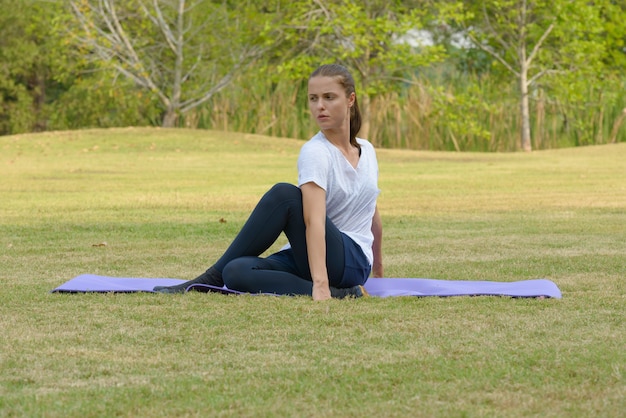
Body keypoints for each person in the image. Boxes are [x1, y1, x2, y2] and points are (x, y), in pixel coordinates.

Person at [154, 64, 383, 300]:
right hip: (314, 256)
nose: (319, 106)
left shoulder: (365, 150)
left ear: (350, 99)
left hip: (349, 261)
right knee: (236, 272)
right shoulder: (317, 150)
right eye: (313, 99)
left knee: (284, 195)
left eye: (329, 97)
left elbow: (349, 215)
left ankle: (211, 278)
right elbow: (314, 223)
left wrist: (373, 271)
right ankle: (343, 294)